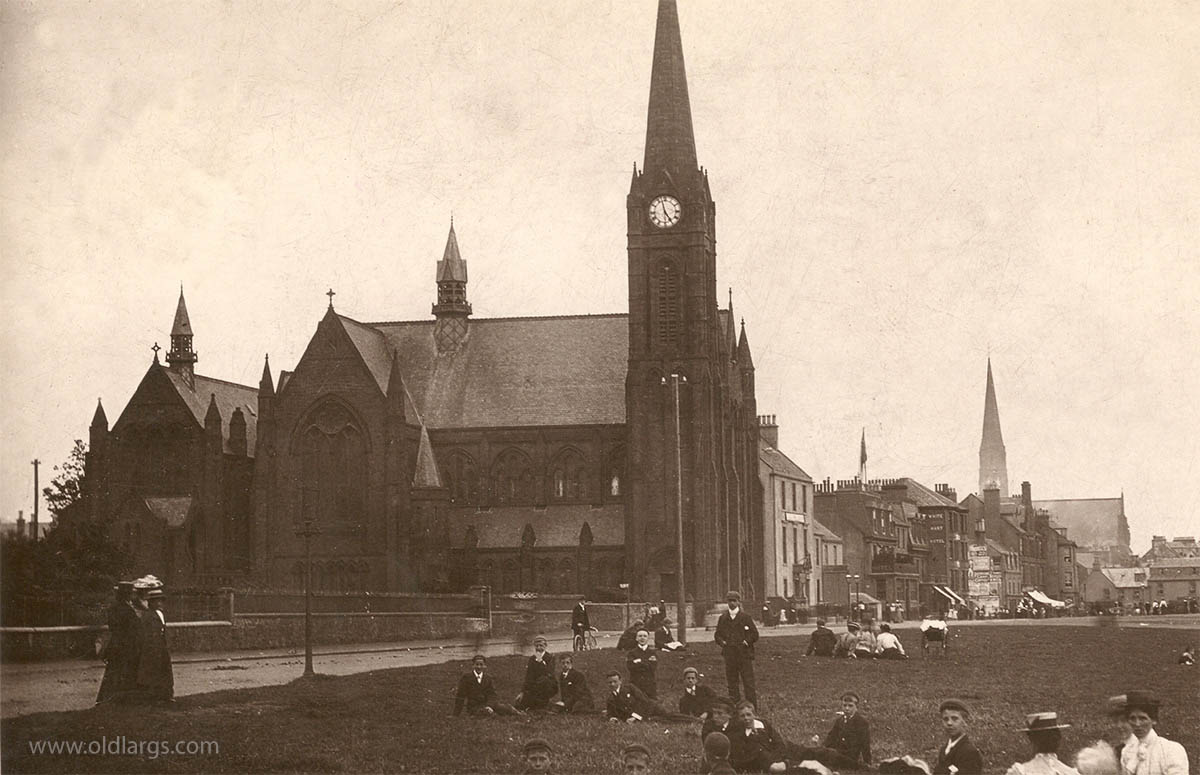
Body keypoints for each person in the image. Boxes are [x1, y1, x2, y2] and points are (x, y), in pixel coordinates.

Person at [1117, 690, 1189, 775]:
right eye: (1132, 718)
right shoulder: (1127, 751)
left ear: (1154, 720)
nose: (1137, 724)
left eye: (1143, 718)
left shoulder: (1171, 750)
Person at [96, 581, 140, 704]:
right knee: (122, 670)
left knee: (114, 671)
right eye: (131, 593)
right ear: (127, 595)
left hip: (116, 643)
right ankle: (117, 699)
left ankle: (107, 698)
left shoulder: (115, 607)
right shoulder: (125, 609)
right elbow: (131, 627)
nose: (133, 596)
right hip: (124, 644)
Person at [714, 591, 758, 704]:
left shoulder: (745, 617)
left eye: (734, 601)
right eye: (730, 601)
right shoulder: (723, 618)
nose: (732, 603)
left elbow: (754, 634)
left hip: (744, 655)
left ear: (739, 602)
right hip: (730, 655)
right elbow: (717, 635)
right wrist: (722, 643)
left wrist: (746, 641)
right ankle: (734, 707)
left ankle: (752, 707)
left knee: (748, 683)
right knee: (732, 683)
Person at [133, 577, 173, 702]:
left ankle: (167, 695)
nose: (160, 603)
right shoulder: (146, 615)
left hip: (161, 647)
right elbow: (146, 633)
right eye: (156, 601)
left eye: (161, 601)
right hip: (151, 647)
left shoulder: (160, 614)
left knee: (165, 671)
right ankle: (154, 696)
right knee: (152, 672)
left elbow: (164, 630)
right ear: (150, 602)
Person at [1005, 712, 1078, 775]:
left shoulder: (1022, 771)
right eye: (1049, 736)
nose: (1055, 738)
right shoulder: (1070, 772)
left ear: (1032, 739)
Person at [728, 701, 788, 774]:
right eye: (742, 716)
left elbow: (778, 742)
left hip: (775, 756)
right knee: (777, 768)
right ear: (738, 718)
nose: (746, 718)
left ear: (754, 715)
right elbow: (743, 756)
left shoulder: (764, 725)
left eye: (748, 715)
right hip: (759, 762)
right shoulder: (738, 733)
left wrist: (777, 758)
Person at [454, 655, 523, 717]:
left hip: (487, 704)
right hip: (474, 706)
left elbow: (492, 694)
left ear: (485, 666)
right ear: (473, 665)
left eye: (481, 665)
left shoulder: (488, 678)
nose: (479, 667)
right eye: (476, 664)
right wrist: (456, 714)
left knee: (505, 708)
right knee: (485, 713)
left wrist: (489, 705)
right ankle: (492, 715)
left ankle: (518, 713)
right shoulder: (466, 678)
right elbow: (460, 696)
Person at [822, 692, 872, 768]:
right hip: (836, 754)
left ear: (856, 707)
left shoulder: (861, 723)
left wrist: (867, 762)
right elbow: (831, 737)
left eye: (850, 706)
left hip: (850, 758)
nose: (847, 708)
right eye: (844, 705)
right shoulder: (839, 721)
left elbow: (865, 745)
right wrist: (823, 749)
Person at [933, 699, 984, 775]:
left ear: (965, 721)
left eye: (954, 719)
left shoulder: (970, 752)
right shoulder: (944, 749)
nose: (949, 723)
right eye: (945, 719)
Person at [514, 635, 558, 712]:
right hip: (534, 685)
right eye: (536, 646)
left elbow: (548, 673)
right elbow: (528, 676)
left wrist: (540, 661)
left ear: (545, 646)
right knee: (520, 704)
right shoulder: (532, 659)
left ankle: (541, 702)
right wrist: (522, 692)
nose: (538, 648)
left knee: (544, 680)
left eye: (541, 645)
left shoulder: (550, 657)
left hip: (548, 684)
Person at [627, 628, 660, 699]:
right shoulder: (631, 653)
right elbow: (631, 667)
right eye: (640, 636)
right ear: (636, 638)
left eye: (645, 636)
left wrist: (639, 662)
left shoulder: (652, 652)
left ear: (648, 638)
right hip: (636, 683)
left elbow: (652, 668)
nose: (642, 638)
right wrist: (646, 662)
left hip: (649, 684)